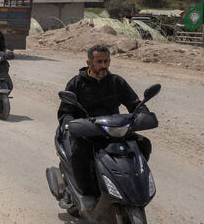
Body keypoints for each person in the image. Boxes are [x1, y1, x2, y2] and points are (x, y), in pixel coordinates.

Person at [57, 44, 153, 196]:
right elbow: (65, 112)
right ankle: (86, 194)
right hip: (87, 132)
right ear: (89, 63)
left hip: (113, 130)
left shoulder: (116, 82)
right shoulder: (76, 83)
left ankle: (130, 184)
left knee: (143, 145)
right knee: (79, 151)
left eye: (106, 61)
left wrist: (143, 113)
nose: (103, 66)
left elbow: (134, 103)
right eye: (99, 62)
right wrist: (70, 124)